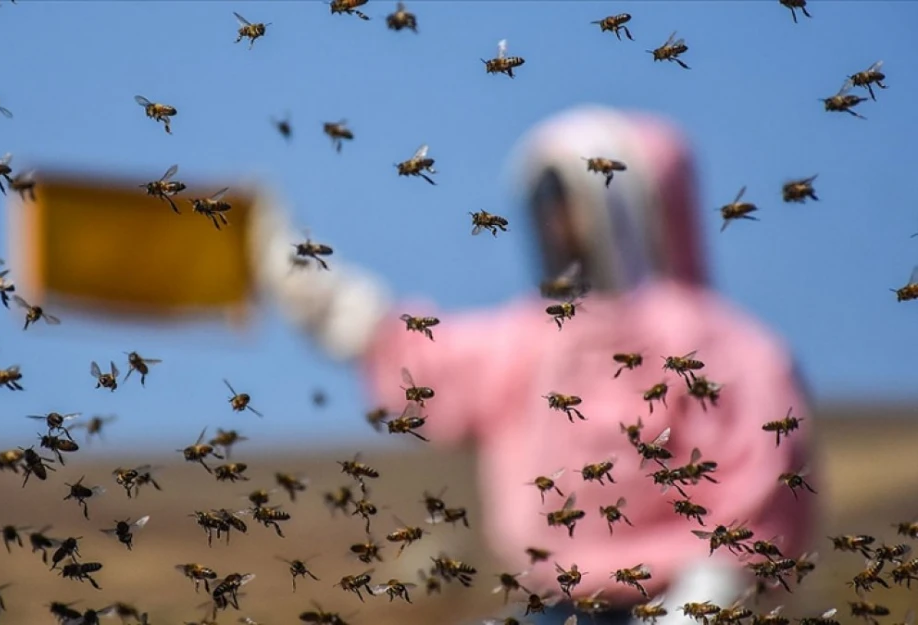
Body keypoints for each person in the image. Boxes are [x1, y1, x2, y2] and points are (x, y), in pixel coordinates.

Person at [248, 105, 817, 625]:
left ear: (622, 204)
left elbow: (760, 486)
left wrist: (708, 593)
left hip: (682, 603)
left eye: (565, 205)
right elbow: (407, 351)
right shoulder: (529, 342)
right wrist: (296, 270)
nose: (554, 226)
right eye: (544, 207)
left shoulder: (723, 347)